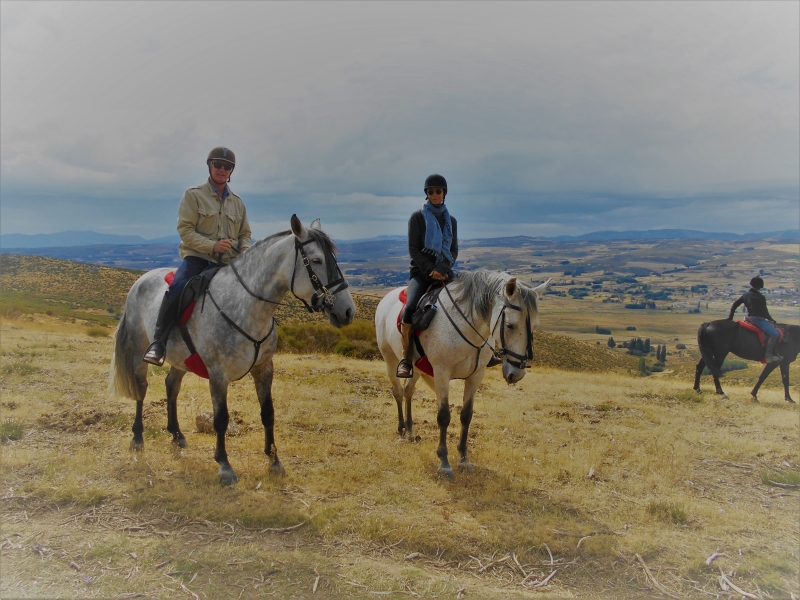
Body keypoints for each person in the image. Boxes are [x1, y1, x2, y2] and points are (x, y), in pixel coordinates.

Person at [143, 147, 252, 365]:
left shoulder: (238, 203)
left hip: (228, 264)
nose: (222, 169)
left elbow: (245, 233)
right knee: (177, 288)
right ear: (209, 166)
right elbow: (185, 231)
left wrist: (244, 249)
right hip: (198, 259)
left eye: (227, 166)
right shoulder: (193, 195)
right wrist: (213, 246)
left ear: (232, 170)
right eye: (218, 164)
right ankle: (158, 343)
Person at [396, 174, 458, 378]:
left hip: (445, 272)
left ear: (444, 193)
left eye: (437, 191)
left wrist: (442, 267)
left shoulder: (452, 221)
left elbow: (453, 250)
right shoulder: (417, 218)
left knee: (470, 301)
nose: (434, 195)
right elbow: (414, 249)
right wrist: (431, 269)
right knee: (410, 308)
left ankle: (482, 350)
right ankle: (406, 358)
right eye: (430, 191)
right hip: (421, 274)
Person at [728, 276, 782, 363]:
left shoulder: (745, 295)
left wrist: (730, 317)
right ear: (760, 286)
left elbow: (735, 305)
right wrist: (772, 320)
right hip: (758, 320)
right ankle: (768, 356)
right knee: (774, 334)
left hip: (749, 319)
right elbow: (765, 312)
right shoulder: (760, 297)